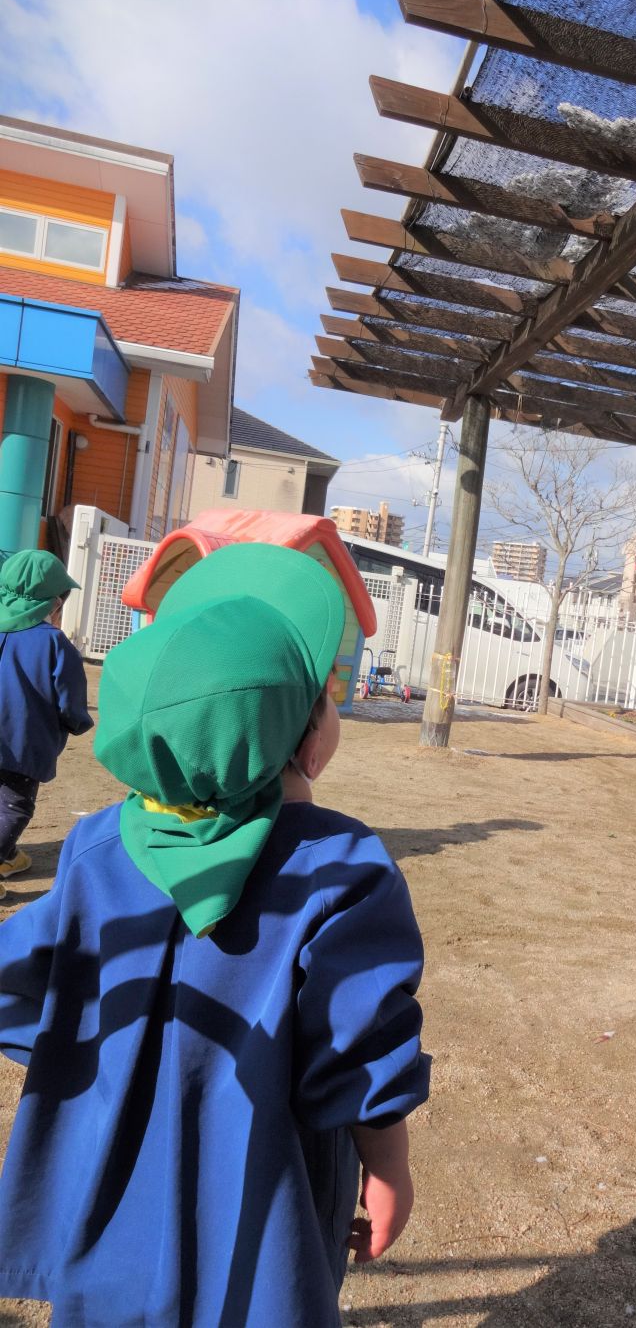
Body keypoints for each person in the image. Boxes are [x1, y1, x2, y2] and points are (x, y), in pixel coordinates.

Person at [0, 544, 430, 1326]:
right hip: (271, 1193)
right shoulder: (343, 867)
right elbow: (361, 1047)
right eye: (327, 700)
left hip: (113, 1182)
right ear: (305, 739)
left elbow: (27, 986)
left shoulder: (98, 850)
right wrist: (389, 1169)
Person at [0, 548, 93, 885]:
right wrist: (75, 721)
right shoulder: (54, 643)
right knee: (13, 806)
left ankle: (8, 856)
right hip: (21, 744)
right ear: (54, 604)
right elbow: (69, 700)